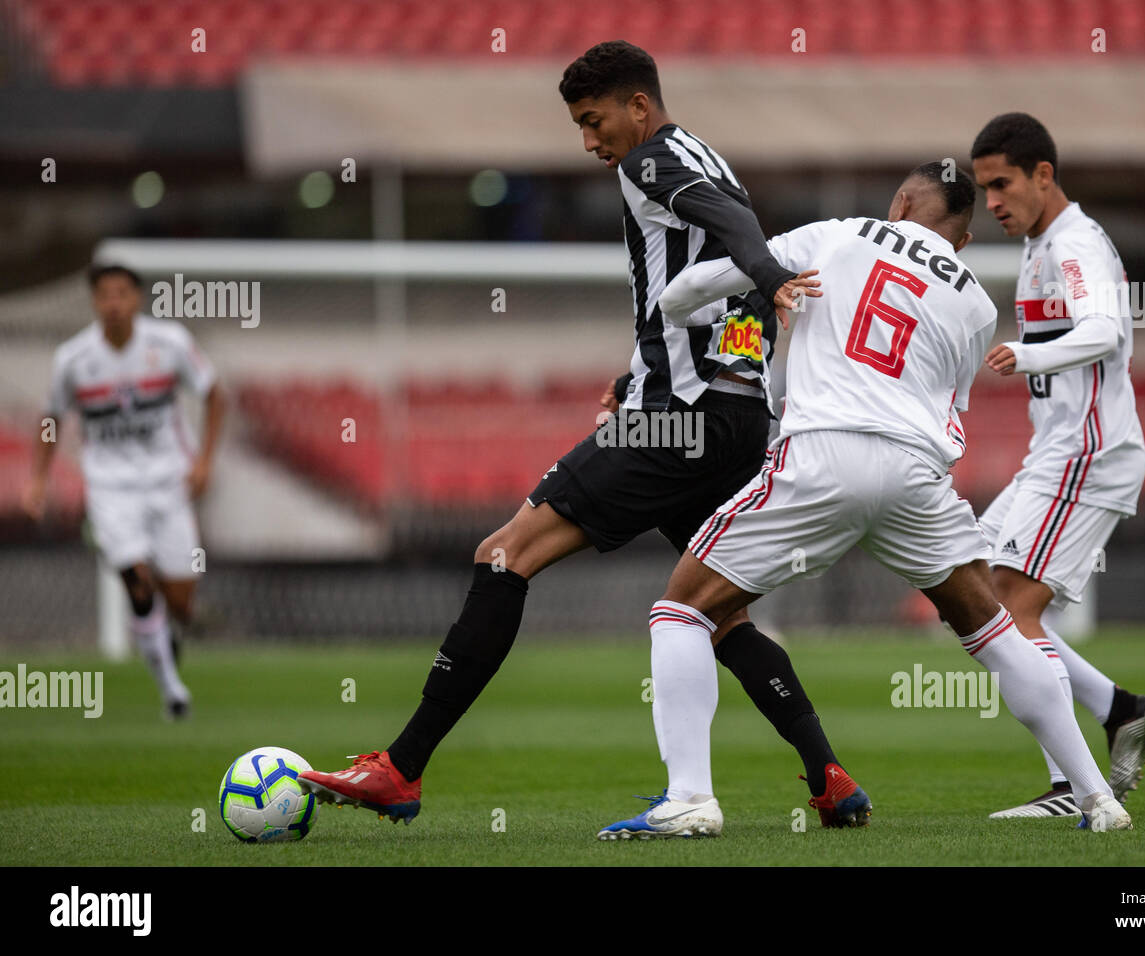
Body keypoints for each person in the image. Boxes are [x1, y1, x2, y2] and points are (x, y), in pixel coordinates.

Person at [299, 40, 869, 830]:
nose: (591, 141)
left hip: (677, 421)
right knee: (718, 610)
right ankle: (830, 777)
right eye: (579, 126)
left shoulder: (653, 161)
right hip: (736, 418)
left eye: (595, 120)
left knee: (505, 554)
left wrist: (771, 283)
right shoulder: (706, 155)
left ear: (639, 106)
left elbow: (733, 227)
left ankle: (401, 768)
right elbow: (708, 268)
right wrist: (639, 368)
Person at [599, 162, 1133, 837]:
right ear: (962, 241)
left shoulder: (839, 233)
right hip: (917, 472)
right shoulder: (976, 302)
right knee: (995, 633)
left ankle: (690, 798)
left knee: (681, 610)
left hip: (824, 453)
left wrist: (723, 294)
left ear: (901, 202)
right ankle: (1098, 799)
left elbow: (694, 288)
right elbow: (951, 405)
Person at [970, 113, 1145, 820]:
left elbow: (1107, 329)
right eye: (982, 188)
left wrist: (1026, 354)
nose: (991, 200)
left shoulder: (1073, 242)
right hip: (1056, 453)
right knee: (974, 596)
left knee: (1014, 612)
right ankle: (1120, 711)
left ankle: (1070, 789)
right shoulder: (1040, 244)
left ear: (1043, 176)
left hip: (1088, 454)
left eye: (1002, 183)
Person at [22, 263, 224, 718]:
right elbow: (51, 418)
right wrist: (38, 479)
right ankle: (172, 690)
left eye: (122, 293)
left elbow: (214, 393)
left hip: (168, 482)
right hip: (111, 488)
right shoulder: (73, 359)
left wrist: (205, 460)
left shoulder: (169, 344)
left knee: (180, 599)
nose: (113, 302)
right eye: (104, 294)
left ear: (137, 299)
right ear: (94, 301)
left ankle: (167, 633)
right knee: (136, 580)